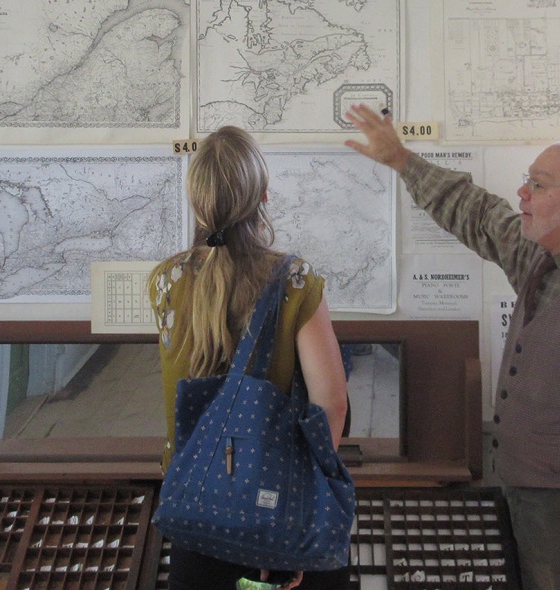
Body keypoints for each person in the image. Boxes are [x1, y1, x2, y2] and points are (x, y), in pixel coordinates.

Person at [343, 104, 560, 590]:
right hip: (522, 498)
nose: (522, 193)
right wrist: (402, 159)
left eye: (539, 184)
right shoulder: (545, 253)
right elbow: (477, 212)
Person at [147, 125, 351, 590]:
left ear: (197, 199)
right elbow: (332, 404)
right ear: (262, 196)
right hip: (270, 502)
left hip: (196, 502)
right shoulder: (295, 281)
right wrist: (301, 506)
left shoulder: (165, 281)